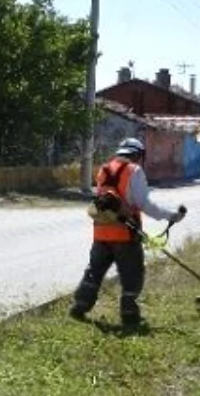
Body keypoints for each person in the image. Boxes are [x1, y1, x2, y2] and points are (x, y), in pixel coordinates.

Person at [70, 137, 184, 327]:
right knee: (132, 274)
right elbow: (144, 204)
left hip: (102, 232)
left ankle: (80, 306)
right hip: (125, 234)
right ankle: (129, 314)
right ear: (138, 155)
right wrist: (170, 215)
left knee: (94, 272)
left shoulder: (104, 169)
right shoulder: (135, 171)